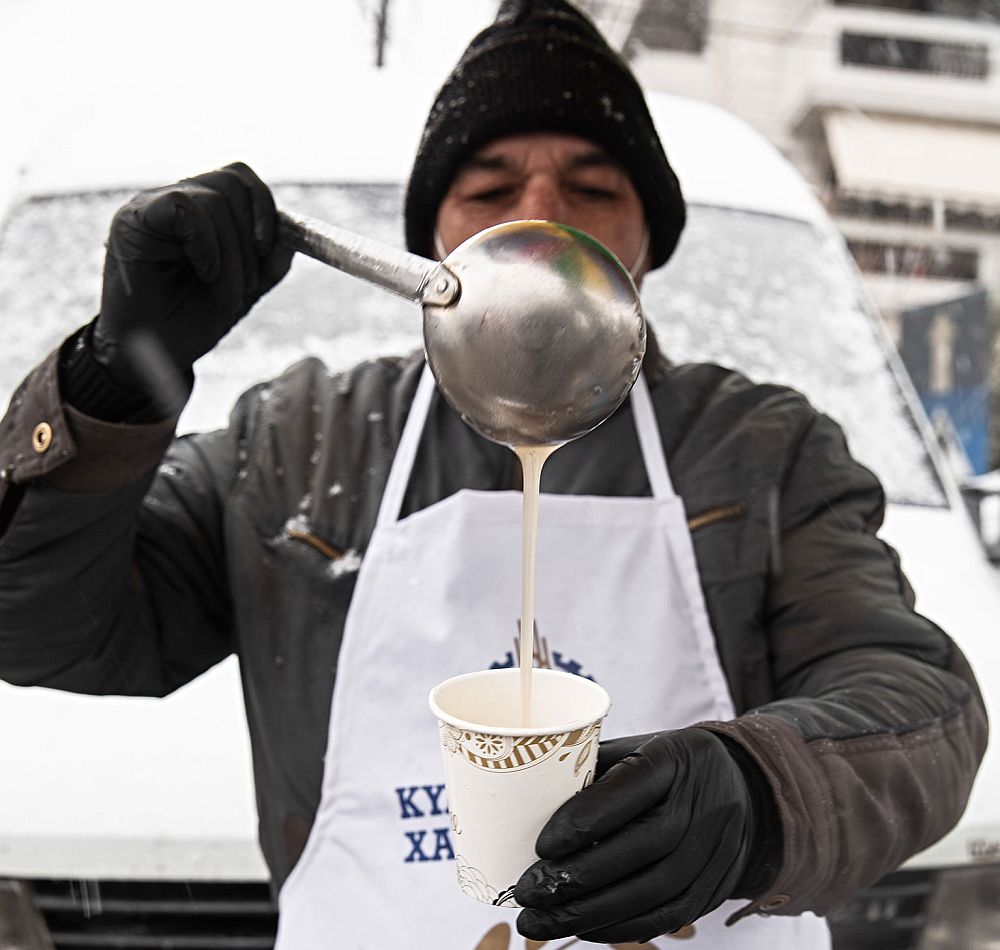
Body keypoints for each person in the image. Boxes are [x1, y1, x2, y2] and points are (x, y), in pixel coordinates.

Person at [0, 1, 988, 947]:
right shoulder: (299, 442)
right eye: (488, 186)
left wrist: (755, 790)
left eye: (595, 188)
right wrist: (113, 378)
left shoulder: (758, 447)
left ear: (646, 243)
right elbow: (47, 627)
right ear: (433, 242)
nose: (543, 214)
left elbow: (915, 702)